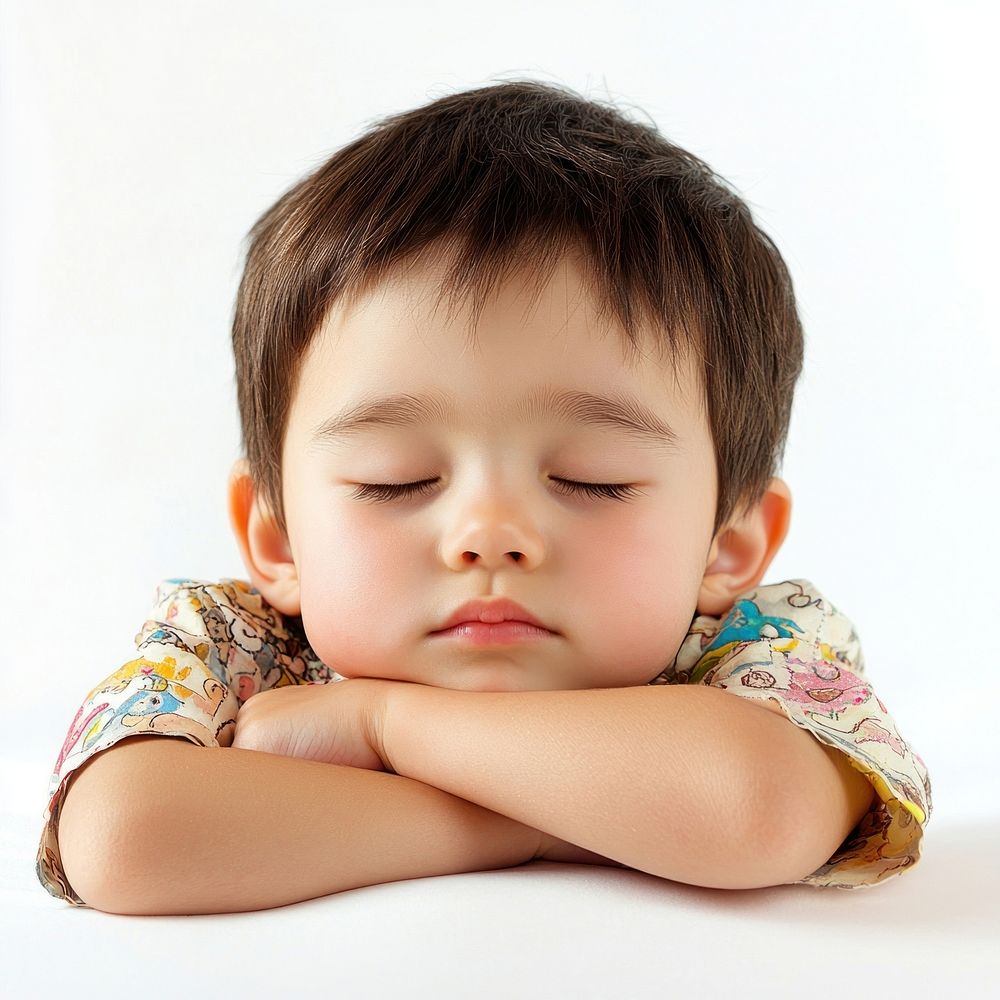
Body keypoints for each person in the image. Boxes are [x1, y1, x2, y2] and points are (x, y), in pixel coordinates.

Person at [36, 79, 932, 914]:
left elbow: (764, 810)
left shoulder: (757, 650)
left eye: (594, 478)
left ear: (726, 544)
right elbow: (123, 837)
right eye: (398, 479)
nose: (490, 535)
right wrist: (552, 823)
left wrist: (383, 726)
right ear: (277, 541)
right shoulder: (234, 648)